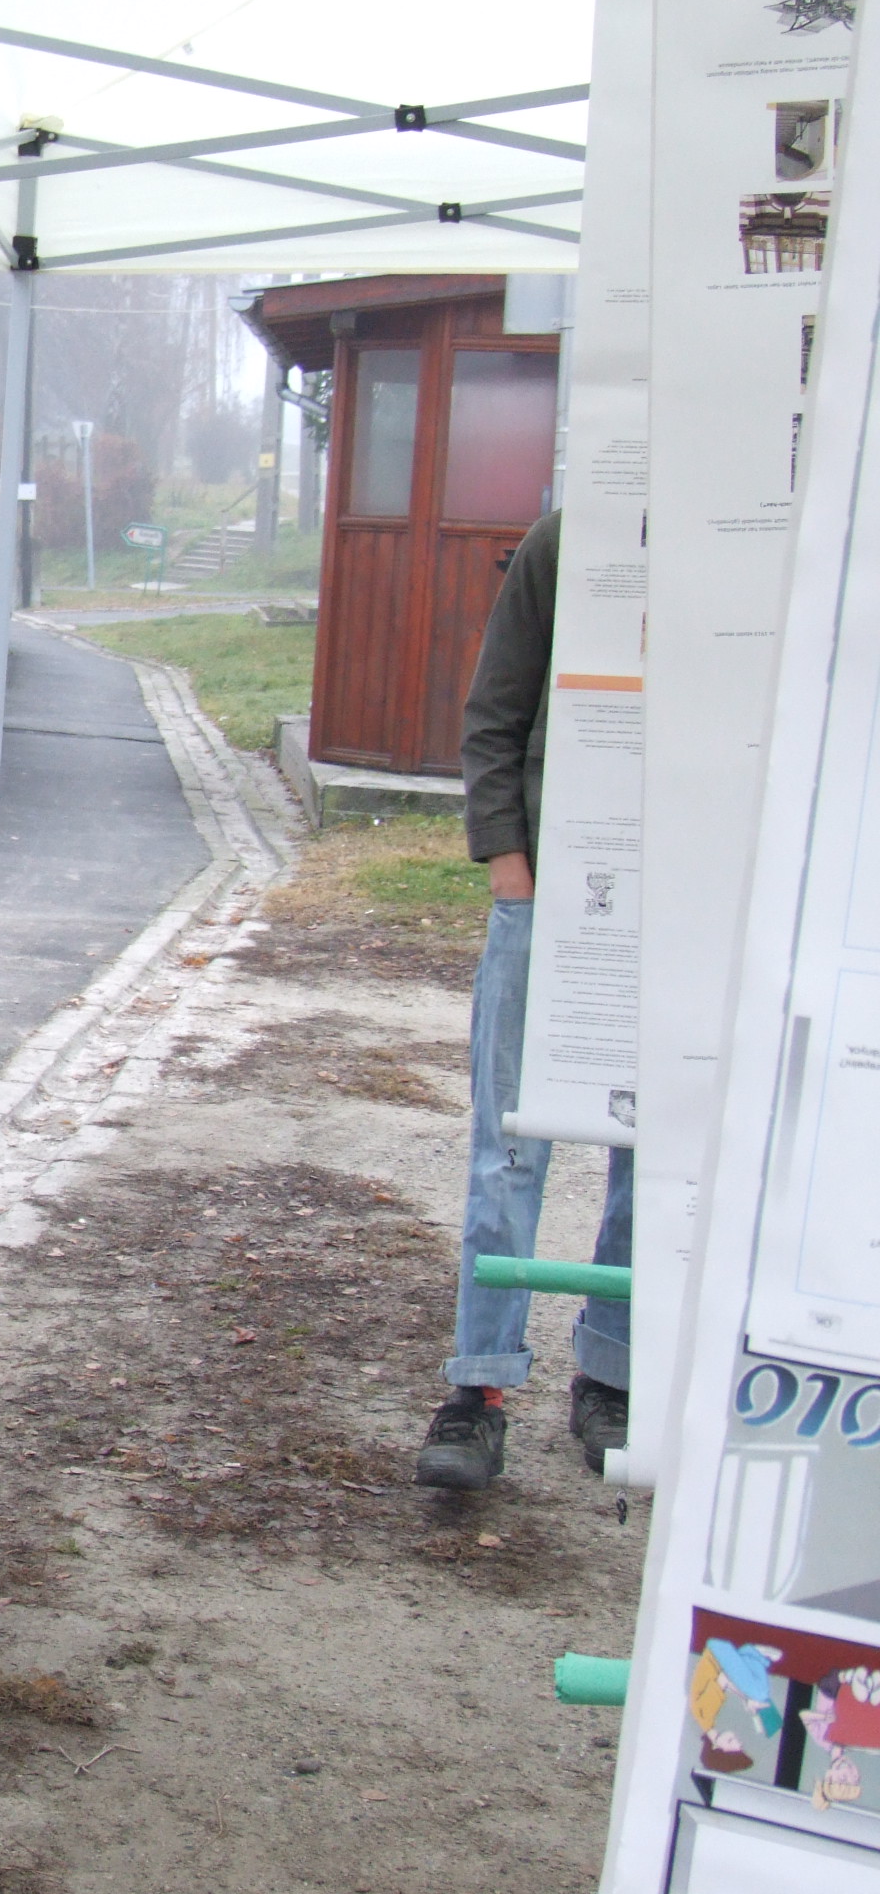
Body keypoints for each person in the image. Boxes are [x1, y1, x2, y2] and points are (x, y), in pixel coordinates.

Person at [416, 509, 635, 1490]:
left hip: (685, 910)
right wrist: (511, 868)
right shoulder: (564, 542)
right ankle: (480, 1388)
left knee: (651, 1148)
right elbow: (494, 712)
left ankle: (612, 1373)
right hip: (547, 896)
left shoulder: (745, 538)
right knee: (507, 1146)